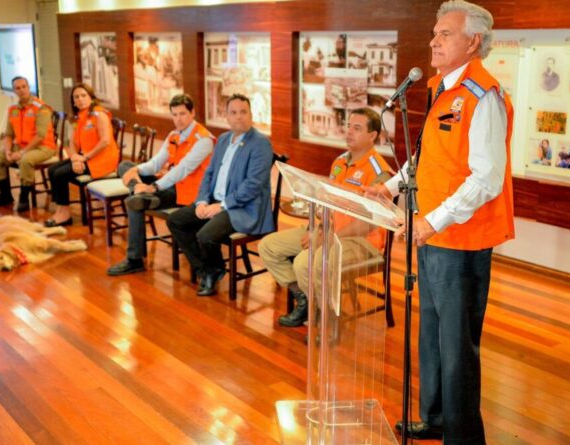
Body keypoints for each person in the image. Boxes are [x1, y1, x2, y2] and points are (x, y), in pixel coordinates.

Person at [365, 2, 514, 443]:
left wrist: (433, 221)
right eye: (434, 32)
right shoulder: (441, 90)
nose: (433, 40)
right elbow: (426, 158)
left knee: (457, 347)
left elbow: (485, 177)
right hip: (429, 231)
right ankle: (434, 417)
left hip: (461, 239)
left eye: (445, 33)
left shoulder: (482, 96)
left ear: (473, 42)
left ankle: (463, 436)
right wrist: (390, 187)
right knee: (430, 333)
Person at [259, 108, 392, 327]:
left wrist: (329, 238)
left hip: (362, 241)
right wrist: (318, 230)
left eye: (357, 128)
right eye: (348, 126)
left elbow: (368, 224)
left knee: (305, 262)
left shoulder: (380, 172)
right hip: (330, 231)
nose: (349, 132)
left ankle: (327, 318)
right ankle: (305, 299)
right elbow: (328, 204)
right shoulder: (339, 162)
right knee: (269, 246)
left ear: (373, 135)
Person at [167, 94, 273, 296]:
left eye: (243, 112)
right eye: (233, 113)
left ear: (251, 115)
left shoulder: (261, 143)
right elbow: (209, 174)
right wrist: (201, 201)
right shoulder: (223, 140)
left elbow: (253, 185)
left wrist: (222, 206)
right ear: (227, 116)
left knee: (205, 235)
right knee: (176, 221)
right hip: (215, 201)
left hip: (242, 208)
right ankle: (207, 270)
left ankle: (211, 271)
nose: (239, 117)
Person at [107, 94, 215, 276]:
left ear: (193, 113)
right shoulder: (174, 135)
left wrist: (154, 187)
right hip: (170, 184)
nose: (178, 119)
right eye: (174, 115)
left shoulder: (203, 140)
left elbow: (182, 170)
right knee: (125, 166)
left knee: (134, 201)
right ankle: (141, 194)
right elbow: (156, 163)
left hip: (188, 192)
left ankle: (134, 259)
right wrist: (136, 172)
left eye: (182, 114)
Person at [44, 84, 119, 227]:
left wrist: (84, 158)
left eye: (83, 95)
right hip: (88, 157)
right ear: (73, 101)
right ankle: (61, 209)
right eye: (76, 97)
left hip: (103, 160)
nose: (80, 99)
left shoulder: (99, 114)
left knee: (60, 174)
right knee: (52, 170)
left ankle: (64, 214)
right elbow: (72, 142)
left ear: (91, 97)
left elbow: (105, 141)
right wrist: (74, 159)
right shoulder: (81, 116)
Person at [0, 76, 57, 213]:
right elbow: (8, 134)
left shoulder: (41, 108)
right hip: (20, 146)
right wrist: (8, 151)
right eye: (18, 88)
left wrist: (22, 152)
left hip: (43, 147)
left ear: (28, 87)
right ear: (14, 91)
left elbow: (40, 136)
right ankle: (5, 195)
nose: (21, 90)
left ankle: (24, 197)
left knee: (25, 160)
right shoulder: (13, 109)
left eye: (24, 87)